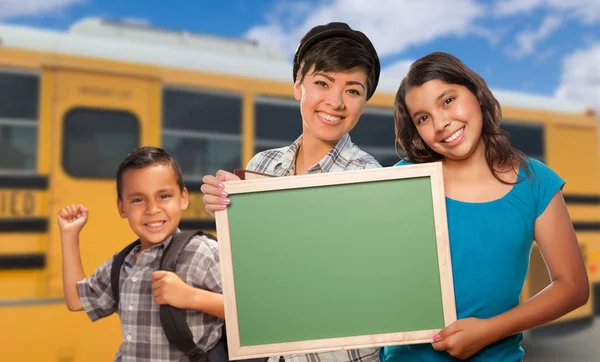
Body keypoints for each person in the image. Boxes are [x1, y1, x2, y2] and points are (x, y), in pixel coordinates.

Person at [381, 52, 589, 361]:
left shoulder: (535, 182)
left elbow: (572, 287)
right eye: (422, 118)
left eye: (448, 100)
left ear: (476, 93)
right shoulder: (403, 180)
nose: (441, 123)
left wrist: (489, 331)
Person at [201, 22, 382, 362]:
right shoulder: (263, 165)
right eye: (322, 83)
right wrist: (228, 215)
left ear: (363, 103)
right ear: (298, 86)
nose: (335, 101)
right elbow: (253, 272)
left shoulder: (370, 178)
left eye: (353, 91)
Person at [58, 146, 224, 361]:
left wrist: (192, 297)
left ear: (183, 198)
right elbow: (78, 300)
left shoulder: (201, 252)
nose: (152, 209)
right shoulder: (124, 263)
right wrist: (69, 235)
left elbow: (250, 314)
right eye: (138, 199)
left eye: (164, 196)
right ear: (122, 207)